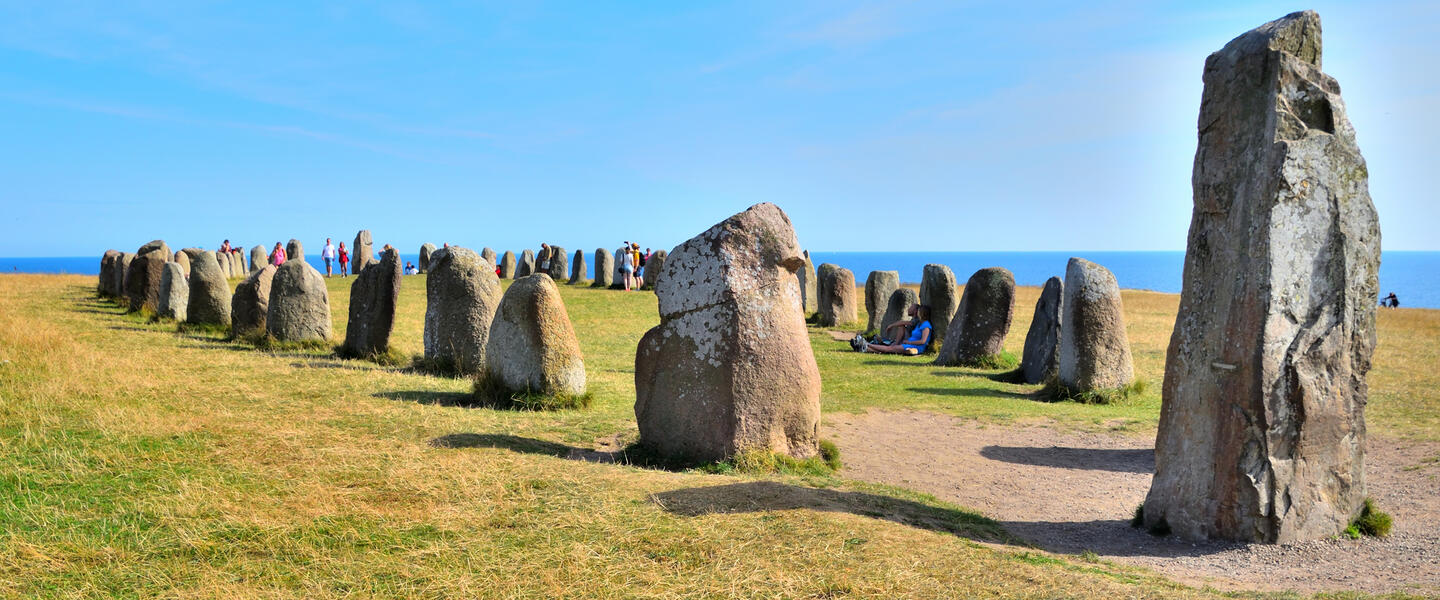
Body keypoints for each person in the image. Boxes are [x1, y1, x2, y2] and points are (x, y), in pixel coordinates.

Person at [862, 305, 933, 355]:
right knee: (891, 349)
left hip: (915, 347)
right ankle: (866, 348)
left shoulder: (926, 325)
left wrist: (908, 342)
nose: (917, 313)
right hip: (909, 344)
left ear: (921, 313)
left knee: (890, 348)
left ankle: (867, 344)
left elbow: (923, 341)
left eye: (918, 311)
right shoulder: (920, 324)